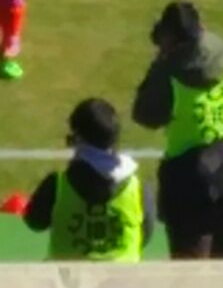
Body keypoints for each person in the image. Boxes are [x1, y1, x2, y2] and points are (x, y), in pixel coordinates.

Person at [132, 1, 223, 259]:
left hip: (188, 180)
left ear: (169, 40)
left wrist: (158, 65)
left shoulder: (168, 73)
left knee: (189, 270)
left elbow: (144, 115)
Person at [22, 98, 155, 261]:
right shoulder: (139, 187)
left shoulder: (57, 185)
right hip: (125, 275)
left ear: (78, 138)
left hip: (68, 275)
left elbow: (35, 222)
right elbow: (145, 235)